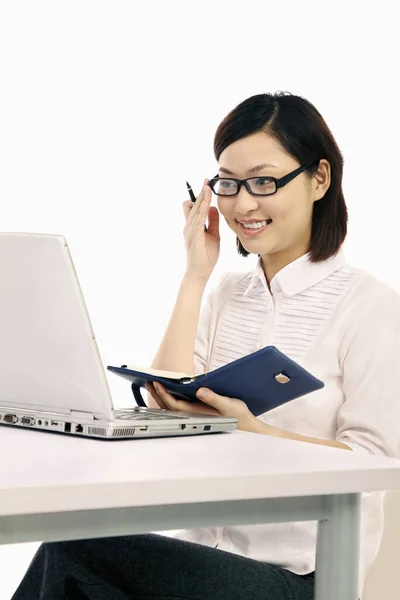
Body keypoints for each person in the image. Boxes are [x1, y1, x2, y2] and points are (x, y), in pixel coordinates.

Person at [12, 92, 400, 600]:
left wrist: (255, 432)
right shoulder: (226, 293)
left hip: (301, 576)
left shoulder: (370, 305)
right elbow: (167, 398)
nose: (242, 204)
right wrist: (196, 274)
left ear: (319, 179)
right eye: (228, 184)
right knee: (77, 568)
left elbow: (377, 461)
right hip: (203, 554)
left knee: (74, 554)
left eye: (263, 181)